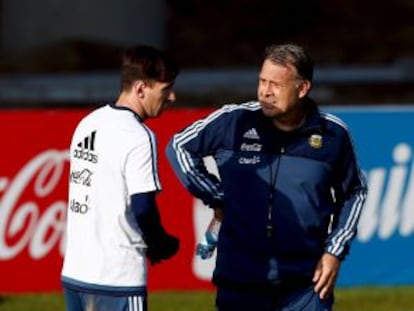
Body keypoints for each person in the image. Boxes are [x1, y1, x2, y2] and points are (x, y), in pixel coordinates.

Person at [166, 43, 367, 311]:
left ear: (302, 88)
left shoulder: (333, 135)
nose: (265, 92)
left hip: (307, 286)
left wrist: (334, 252)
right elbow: (179, 146)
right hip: (239, 281)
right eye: (262, 81)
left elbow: (355, 192)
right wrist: (215, 197)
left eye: (276, 84)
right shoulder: (234, 121)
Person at [61, 45, 180, 311]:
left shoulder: (88, 123)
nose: (172, 96)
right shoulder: (139, 136)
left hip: (75, 274)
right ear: (140, 89)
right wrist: (161, 244)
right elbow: (143, 208)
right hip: (118, 279)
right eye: (166, 88)